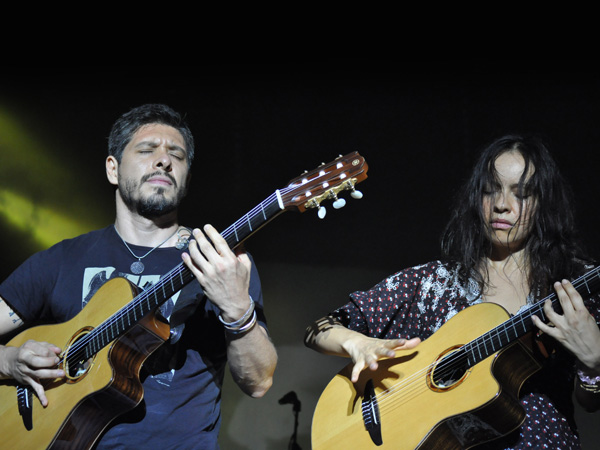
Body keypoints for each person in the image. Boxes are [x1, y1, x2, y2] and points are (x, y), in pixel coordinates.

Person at [0, 104, 278, 449]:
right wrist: (10, 361)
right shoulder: (62, 259)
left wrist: (238, 307)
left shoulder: (221, 262)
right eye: (147, 150)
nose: (164, 160)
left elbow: (258, 382)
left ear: (187, 179)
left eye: (176, 154)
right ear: (113, 169)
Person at [305, 134, 600, 449]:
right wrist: (356, 343)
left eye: (522, 193)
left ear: (544, 202)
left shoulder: (574, 284)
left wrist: (593, 362)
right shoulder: (434, 283)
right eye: (490, 189)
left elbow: (590, 402)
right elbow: (318, 330)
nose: (502, 204)